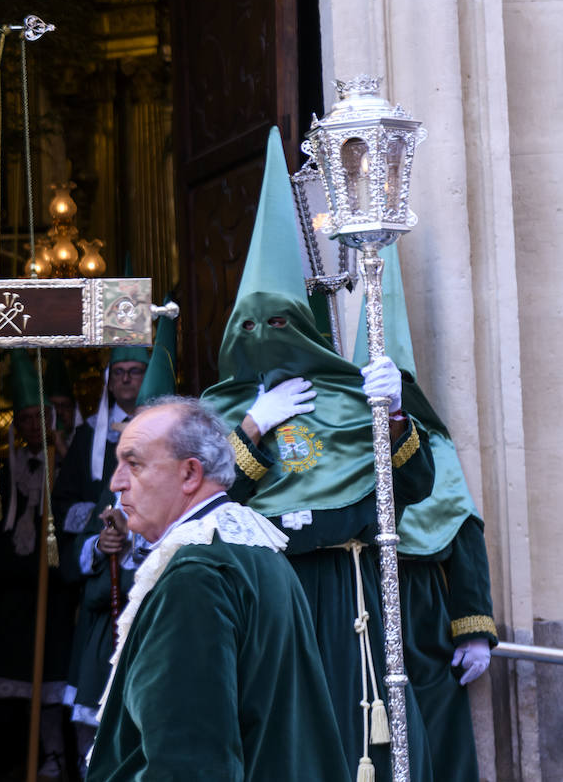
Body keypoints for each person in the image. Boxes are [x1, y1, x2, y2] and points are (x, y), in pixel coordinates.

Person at [202, 128, 437, 781]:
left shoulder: (345, 397)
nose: (263, 339)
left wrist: (390, 413)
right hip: (268, 591)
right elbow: (207, 503)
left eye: (278, 324)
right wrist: (252, 427)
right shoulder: (223, 412)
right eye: (250, 328)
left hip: (346, 591)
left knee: (360, 729)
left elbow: (413, 486)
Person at [85, 397, 347, 780]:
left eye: (134, 463)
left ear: (190, 474)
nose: (116, 482)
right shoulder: (254, 549)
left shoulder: (196, 574)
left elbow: (189, 760)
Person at [354, 245, 496, 782]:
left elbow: (462, 534)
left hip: (422, 610)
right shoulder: (344, 443)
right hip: (359, 599)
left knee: (437, 734)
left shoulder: (429, 443)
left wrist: (473, 630)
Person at [60, 310, 177, 773]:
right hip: (109, 602)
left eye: (136, 372)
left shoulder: (180, 447)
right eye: (120, 372)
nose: (128, 381)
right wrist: (104, 536)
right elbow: (71, 515)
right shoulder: (91, 434)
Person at [0, 350, 95, 779]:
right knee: (12, 682)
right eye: (25, 418)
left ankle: (53, 755)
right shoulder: (3, 470)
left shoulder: (71, 464)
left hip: (56, 593)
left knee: (54, 681)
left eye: (41, 417)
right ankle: (10, 760)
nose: (34, 426)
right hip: (13, 597)